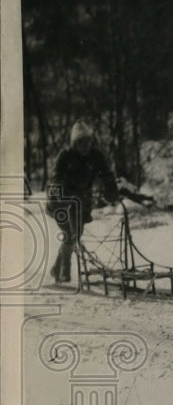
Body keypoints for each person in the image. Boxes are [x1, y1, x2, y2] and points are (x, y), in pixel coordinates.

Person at [45, 121, 119, 283]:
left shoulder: (95, 156)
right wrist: (59, 194)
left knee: (75, 234)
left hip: (81, 201)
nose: (85, 147)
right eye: (81, 143)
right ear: (74, 144)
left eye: (88, 142)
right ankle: (65, 268)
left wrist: (111, 189)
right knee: (70, 233)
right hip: (61, 201)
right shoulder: (65, 156)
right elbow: (56, 178)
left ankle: (57, 267)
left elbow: (106, 174)